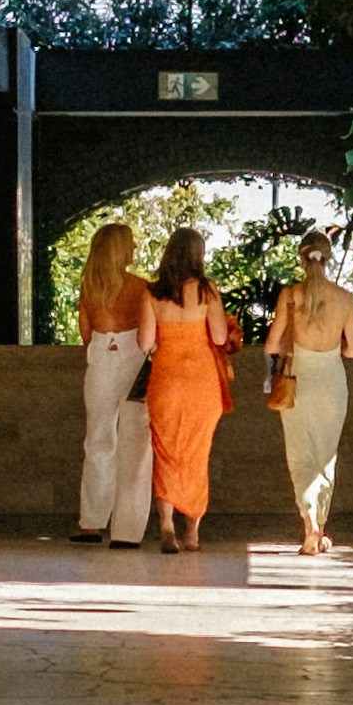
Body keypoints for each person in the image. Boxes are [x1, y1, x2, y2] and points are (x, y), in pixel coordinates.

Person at [137, 225, 238, 556]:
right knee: (196, 453)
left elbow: (144, 343)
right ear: (198, 256)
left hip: (165, 380)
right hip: (202, 383)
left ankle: (166, 525)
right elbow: (221, 338)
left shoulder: (152, 294)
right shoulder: (207, 290)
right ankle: (192, 531)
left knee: (165, 451)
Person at [265, 226, 353, 554]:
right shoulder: (346, 299)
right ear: (328, 256)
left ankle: (310, 526)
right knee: (325, 457)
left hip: (298, 381)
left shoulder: (290, 295)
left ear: (302, 258)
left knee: (300, 456)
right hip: (332, 383)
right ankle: (320, 528)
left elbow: (272, 344)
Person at [72, 214, 154, 545]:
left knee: (98, 439)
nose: (134, 248)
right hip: (134, 353)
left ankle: (92, 522)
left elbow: (85, 332)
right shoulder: (141, 287)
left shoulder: (88, 288)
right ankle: (127, 529)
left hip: (100, 355)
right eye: (130, 244)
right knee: (135, 442)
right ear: (121, 250)